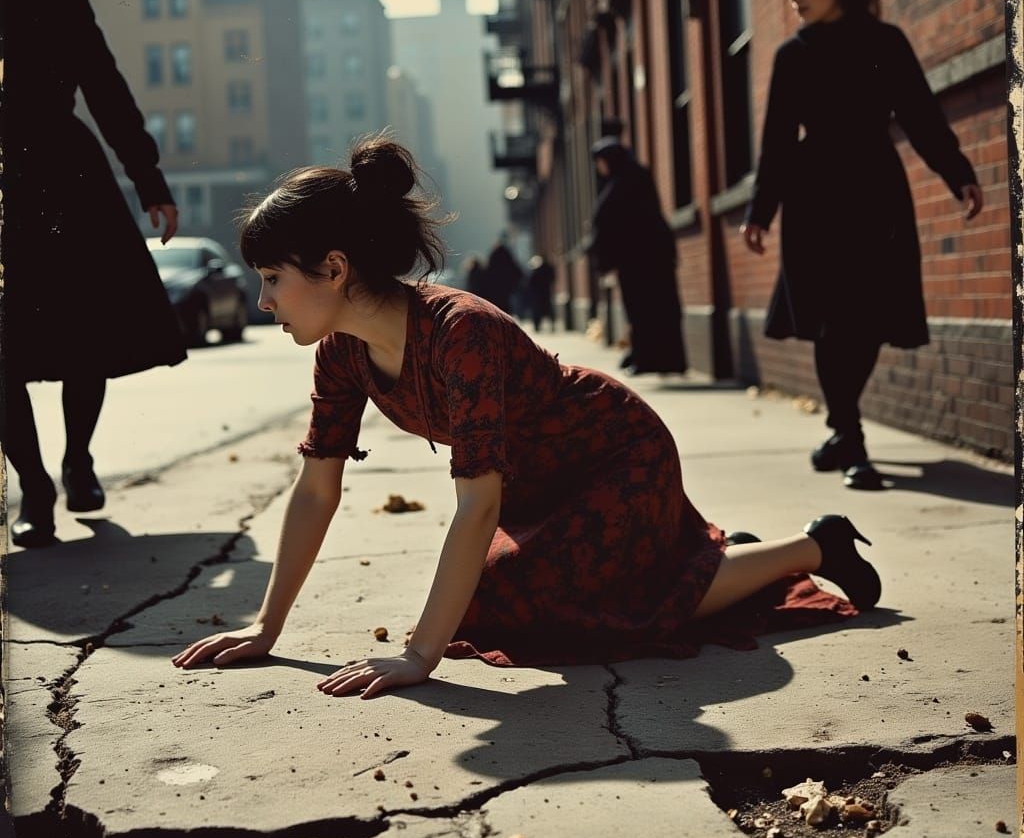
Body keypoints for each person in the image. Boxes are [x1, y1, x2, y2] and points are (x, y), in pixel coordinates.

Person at [172, 137, 881, 698]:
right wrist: (267, 626)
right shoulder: (340, 354)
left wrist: (420, 656)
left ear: (333, 268)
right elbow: (316, 489)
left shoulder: (460, 332)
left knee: (563, 612)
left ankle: (808, 549)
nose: (264, 302)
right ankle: (711, 563)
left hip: (614, 457)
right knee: (490, 605)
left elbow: (478, 505)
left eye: (272, 280)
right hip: (539, 488)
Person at [740, 0, 983, 490]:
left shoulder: (885, 42)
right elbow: (776, 141)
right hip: (812, 199)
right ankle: (851, 436)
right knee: (831, 320)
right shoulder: (792, 55)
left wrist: (959, 173)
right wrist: (760, 211)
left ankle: (838, 426)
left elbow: (921, 116)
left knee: (869, 318)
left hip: (876, 193)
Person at [2, 0, 186, 547]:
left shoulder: (59, 1)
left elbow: (107, 90)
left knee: (84, 335)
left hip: (64, 177)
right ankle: (34, 486)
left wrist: (149, 179)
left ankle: (77, 460)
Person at [587, 138, 688, 376]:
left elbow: (612, 218)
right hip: (643, 258)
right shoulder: (627, 178)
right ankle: (650, 357)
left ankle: (652, 358)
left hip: (644, 259)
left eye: (601, 162)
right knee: (648, 309)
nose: (599, 168)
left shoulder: (628, 180)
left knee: (646, 309)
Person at [483, 239, 523, 316]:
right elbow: (518, 273)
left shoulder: (493, 257)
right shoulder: (507, 257)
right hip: (506, 290)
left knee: (496, 310)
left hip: (494, 291)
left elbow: (486, 274)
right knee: (505, 309)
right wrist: (513, 285)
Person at [524, 254, 556, 331]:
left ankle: (538, 326)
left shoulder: (534, 270)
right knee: (546, 309)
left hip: (538, 293)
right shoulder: (547, 268)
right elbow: (552, 278)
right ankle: (550, 325)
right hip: (544, 292)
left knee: (538, 310)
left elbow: (529, 282)